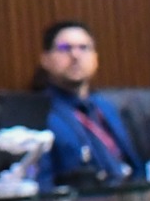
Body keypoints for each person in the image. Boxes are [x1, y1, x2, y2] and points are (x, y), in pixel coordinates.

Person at [33, 20, 140, 185]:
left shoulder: (106, 108)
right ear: (45, 59)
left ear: (95, 58)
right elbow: (41, 184)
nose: (75, 55)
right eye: (64, 48)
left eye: (84, 48)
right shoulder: (38, 112)